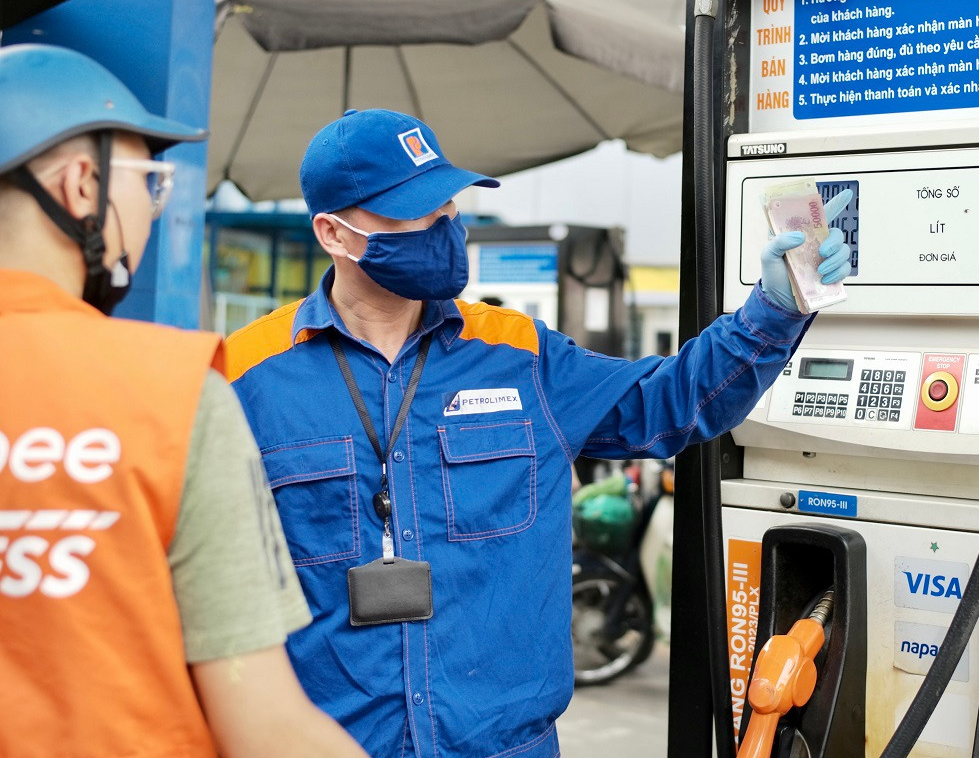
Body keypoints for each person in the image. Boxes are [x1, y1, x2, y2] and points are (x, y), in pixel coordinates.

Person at [222, 108, 852, 758]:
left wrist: (773, 311)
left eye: (447, 204)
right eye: (416, 213)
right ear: (334, 232)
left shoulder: (521, 355)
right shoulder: (243, 378)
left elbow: (672, 401)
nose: (445, 224)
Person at [0, 44, 368, 758]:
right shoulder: (167, 391)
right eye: (148, 182)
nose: (150, 209)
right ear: (82, 186)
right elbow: (264, 726)